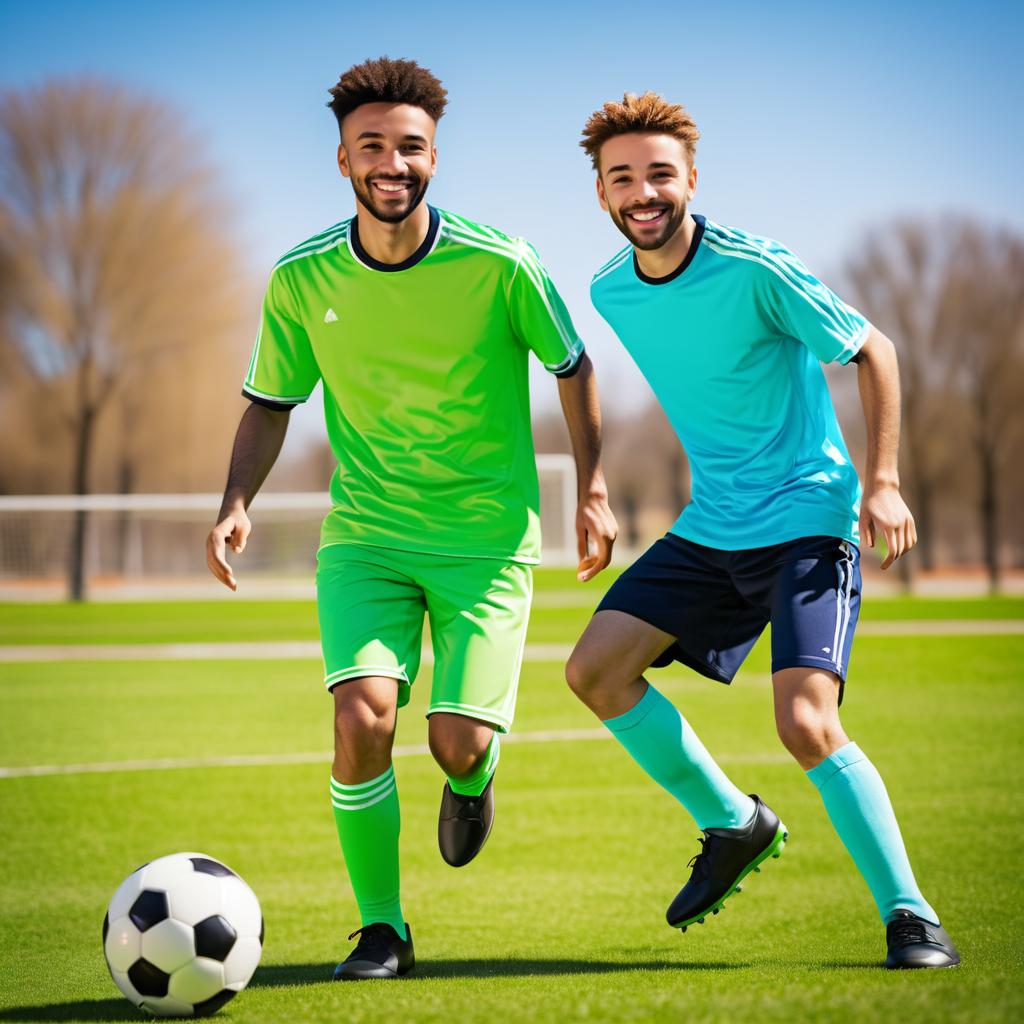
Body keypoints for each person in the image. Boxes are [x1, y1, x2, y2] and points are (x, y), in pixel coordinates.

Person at [206, 57, 617, 981]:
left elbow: (573, 365)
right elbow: (271, 399)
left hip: (486, 544)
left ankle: (473, 779)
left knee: (454, 740)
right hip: (367, 539)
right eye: (374, 147)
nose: (394, 164)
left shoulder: (501, 261)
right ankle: (381, 930)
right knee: (362, 719)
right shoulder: (301, 278)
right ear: (343, 160)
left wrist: (591, 487)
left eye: (412, 147)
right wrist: (237, 501)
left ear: (436, 155)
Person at [565, 91, 958, 969]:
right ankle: (732, 824)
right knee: (594, 670)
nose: (644, 192)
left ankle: (911, 915)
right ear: (600, 193)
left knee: (805, 722)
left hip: (810, 517)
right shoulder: (610, 291)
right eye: (621, 177)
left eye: (660, 174)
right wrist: (593, 488)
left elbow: (873, 351)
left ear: (691, 180)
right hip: (714, 524)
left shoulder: (755, 267)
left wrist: (883, 484)